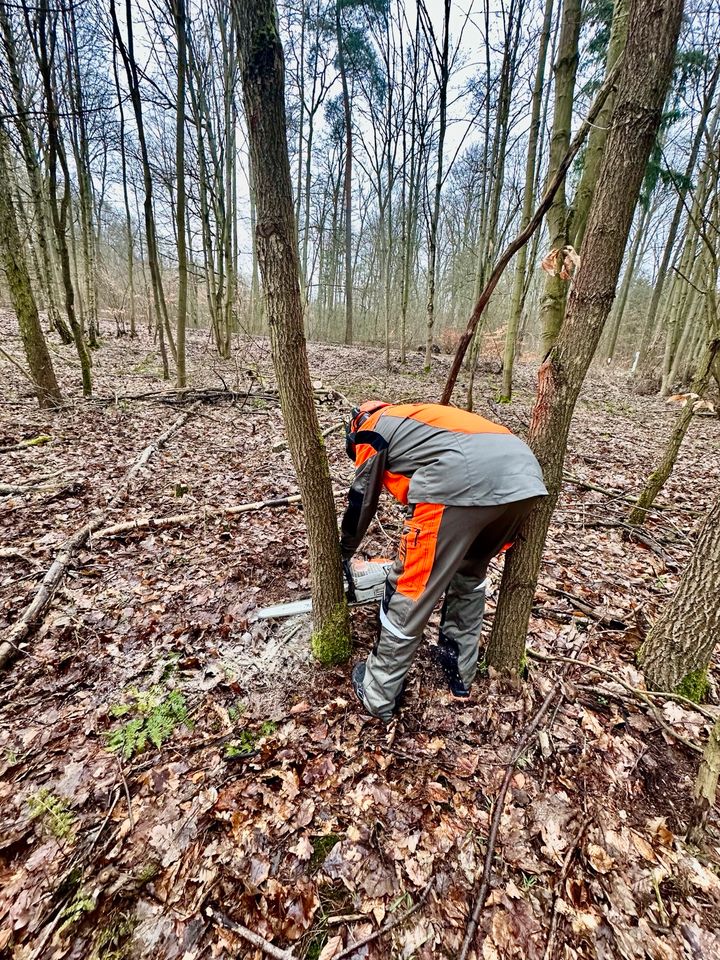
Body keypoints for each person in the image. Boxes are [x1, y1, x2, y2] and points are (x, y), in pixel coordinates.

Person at [341, 400, 547, 722]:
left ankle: (378, 693)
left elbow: (361, 500)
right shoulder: (417, 419)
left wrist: (342, 552)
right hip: (525, 482)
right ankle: (460, 676)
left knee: (408, 588)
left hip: (461, 482)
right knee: (468, 574)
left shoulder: (371, 427)